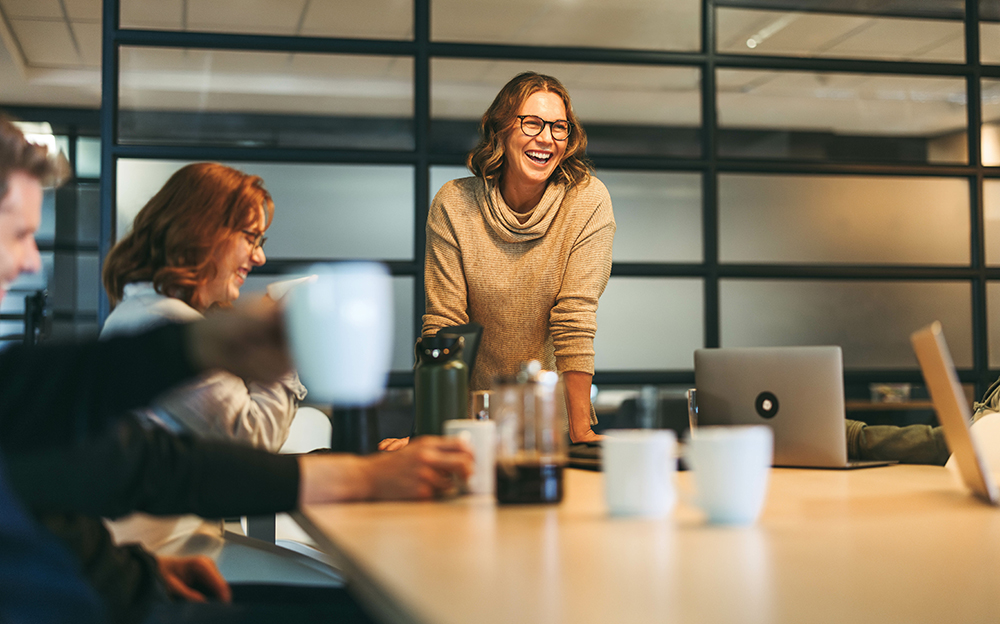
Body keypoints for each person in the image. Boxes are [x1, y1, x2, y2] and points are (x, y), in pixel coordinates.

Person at [0, 114, 473, 623]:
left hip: (138, 577)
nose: (32, 262)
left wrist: (139, 568)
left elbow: (128, 461)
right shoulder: (153, 317)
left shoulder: (137, 330)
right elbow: (207, 453)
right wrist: (360, 472)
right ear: (205, 233)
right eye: (20, 233)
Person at [382, 71, 615, 449]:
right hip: (474, 427)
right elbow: (444, 326)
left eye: (559, 127)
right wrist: (426, 433)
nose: (546, 138)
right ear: (501, 129)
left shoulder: (587, 201)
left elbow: (575, 318)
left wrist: (581, 432)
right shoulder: (454, 204)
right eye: (532, 123)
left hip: (553, 426)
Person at [99, 162, 307, 553]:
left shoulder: (144, 312)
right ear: (203, 232)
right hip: (168, 560)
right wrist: (284, 342)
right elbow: (255, 440)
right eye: (252, 238)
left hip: (162, 551)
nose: (259, 257)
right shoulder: (164, 322)